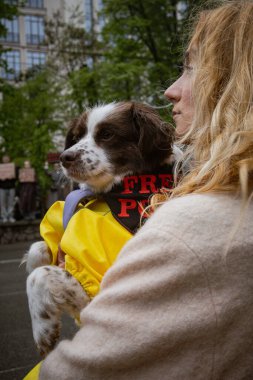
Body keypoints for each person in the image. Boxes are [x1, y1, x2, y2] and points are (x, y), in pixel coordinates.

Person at [34, 1, 253, 379]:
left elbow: (78, 370)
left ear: (235, 84)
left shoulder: (186, 223)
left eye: (190, 68)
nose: (169, 90)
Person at [0, 154, 16, 223]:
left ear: (9, 159)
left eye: (7, 158)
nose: (6, 159)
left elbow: (20, 177)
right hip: (2, 187)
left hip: (11, 187)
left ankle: (10, 216)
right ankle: (4, 217)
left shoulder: (13, 167)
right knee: (2, 203)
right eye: (4, 158)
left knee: (11, 203)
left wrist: (13, 176)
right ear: (2, 159)